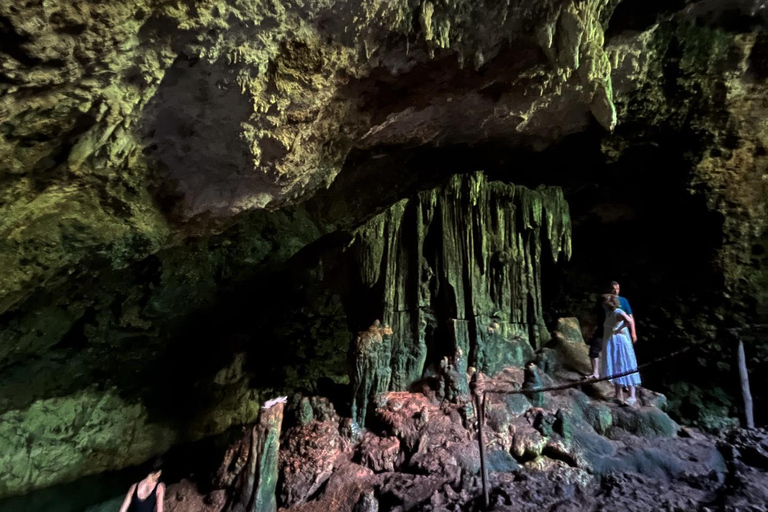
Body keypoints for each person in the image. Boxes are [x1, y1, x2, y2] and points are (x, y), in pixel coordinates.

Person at [600, 293, 641, 406]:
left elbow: (629, 320)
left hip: (620, 342)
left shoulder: (618, 312)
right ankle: (618, 394)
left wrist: (620, 329)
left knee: (626, 365)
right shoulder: (609, 313)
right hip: (613, 342)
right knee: (617, 365)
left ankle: (632, 396)